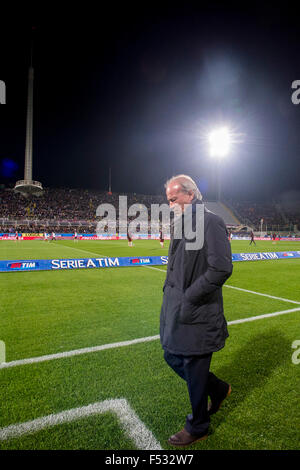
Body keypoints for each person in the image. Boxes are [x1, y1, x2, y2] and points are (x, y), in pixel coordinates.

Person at [160, 175, 233, 447]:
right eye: (168, 200)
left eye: (173, 199)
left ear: (190, 195)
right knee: (171, 356)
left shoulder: (210, 221)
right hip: (178, 309)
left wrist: (189, 298)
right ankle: (218, 388)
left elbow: (221, 268)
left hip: (198, 312)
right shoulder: (182, 222)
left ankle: (199, 425)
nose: (170, 205)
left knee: (192, 363)